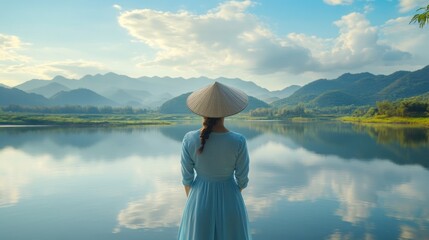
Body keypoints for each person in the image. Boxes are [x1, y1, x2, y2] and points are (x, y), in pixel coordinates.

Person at [178, 82, 252, 240]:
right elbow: (242, 181)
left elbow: (187, 179)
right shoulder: (238, 141)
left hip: (198, 202)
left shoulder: (189, 139)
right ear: (226, 111)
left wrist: (195, 202)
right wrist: (228, 195)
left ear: (202, 111)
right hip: (231, 201)